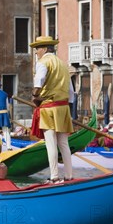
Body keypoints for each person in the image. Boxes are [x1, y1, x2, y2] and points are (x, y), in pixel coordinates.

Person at [29, 36, 75, 184]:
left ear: (44, 48)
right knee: (63, 143)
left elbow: (39, 82)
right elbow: (70, 91)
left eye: (37, 49)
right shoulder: (63, 64)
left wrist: (35, 96)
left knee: (51, 143)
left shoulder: (43, 62)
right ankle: (69, 175)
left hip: (49, 108)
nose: (36, 52)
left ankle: (54, 176)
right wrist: (69, 105)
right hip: (63, 107)